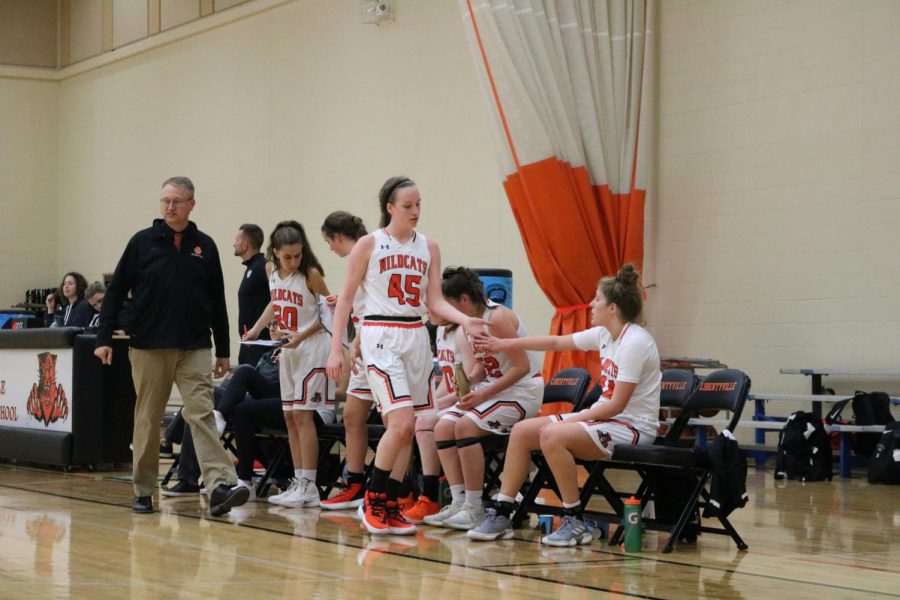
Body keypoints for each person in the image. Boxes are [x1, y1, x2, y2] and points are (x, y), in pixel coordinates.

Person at [325, 176, 484, 535]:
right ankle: (373, 499)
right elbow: (346, 299)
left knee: (410, 428)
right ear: (390, 207)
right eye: (408, 206)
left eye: (419, 205)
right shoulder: (369, 244)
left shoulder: (429, 246)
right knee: (399, 424)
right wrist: (337, 348)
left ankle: (391, 502)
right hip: (380, 333)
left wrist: (466, 320)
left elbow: (434, 302)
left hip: (415, 336)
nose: (415, 211)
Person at [466, 264, 660, 546]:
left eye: (597, 299)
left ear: (613, 309)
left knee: (552, 435)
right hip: (604, 418)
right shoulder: (605, 335)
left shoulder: (636, 342)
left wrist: (570, 420)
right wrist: (504, 344)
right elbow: (556, 342)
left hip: (631, 426)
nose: (591, 304)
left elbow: (617, 405)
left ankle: (576, 519)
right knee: (522, 432)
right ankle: (503, 511)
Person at [94, 176, 249, 516]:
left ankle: (221, 483)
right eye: (165, 200)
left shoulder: (205, 246)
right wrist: (104, 339)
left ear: (192, 203)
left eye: (177, 201)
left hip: (194, 346)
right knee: (148, 419)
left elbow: (217, 300)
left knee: (202, 413)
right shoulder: (142, 243)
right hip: (149, 346)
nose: (170, 207)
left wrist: (223, 349)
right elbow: (116, 292)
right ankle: (144, 489)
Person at [424, 267, 543, 530]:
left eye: (447, 304)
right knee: (442, 427)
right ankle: (459, 501)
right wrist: (464, 390)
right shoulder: (468, 323)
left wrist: (482, 395)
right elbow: (480, 369)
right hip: (495, 388)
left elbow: (521, 367)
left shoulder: (497, 318)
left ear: (463, 299)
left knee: (464, 426)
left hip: (523, 390)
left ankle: (475, 508)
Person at [244, 220, 334, 508]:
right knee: (290, 417)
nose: (293, 261)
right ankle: (298, 481)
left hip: (312, 350)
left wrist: (300, 335)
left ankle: (309, 485)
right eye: (287, 256)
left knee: (304, 417)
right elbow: (275, 301)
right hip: (288, 350)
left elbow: (328, 316)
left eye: (297, 255)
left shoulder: (311, 274)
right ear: (275, 253)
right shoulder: (271, 271)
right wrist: (257, 328)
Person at [162, 333, 283, 499]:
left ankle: (170, 440)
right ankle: (187, 479)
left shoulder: (294, 351)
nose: (275, 329)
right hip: (246, 399)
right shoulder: (267, 354)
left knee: (208, 395)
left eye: (279, 323)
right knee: (201, 400)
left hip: (270, 403)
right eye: (273, 325)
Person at [319, 211, 374, 511]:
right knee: (352, 416)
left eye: (329, 242)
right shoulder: (361, 256)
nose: (331, 249)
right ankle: (355, 483)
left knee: (397, 423)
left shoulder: (369, 252)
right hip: (364, 346)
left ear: (338, 237)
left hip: (383, 345)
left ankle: (398, 490)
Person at [234, 223, 272, 366]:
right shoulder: (251, 268)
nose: (234, 244)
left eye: (236, 240)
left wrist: (257, 329)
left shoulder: (263, 265)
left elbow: (278, 297)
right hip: (248, 343)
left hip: (260, 345)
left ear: (245, 245)